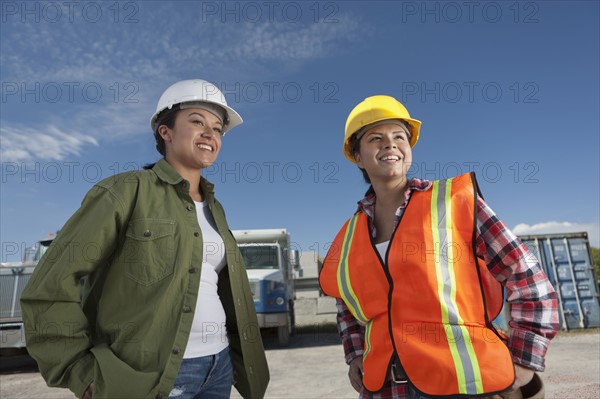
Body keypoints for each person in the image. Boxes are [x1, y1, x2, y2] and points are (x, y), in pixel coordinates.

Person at [20, 79, 269, 399]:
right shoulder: (124, 191)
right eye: (197, 121)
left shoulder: (215, 209)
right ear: (165, 132)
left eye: (217, 128)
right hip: (151, 374)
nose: (210, 134)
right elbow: (51, 284)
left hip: (217, 366)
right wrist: (80, 371)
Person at [319, 95, 558, 399]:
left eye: (399, 137)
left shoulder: (453, 202)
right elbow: (347, 306)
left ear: (410, 148)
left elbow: (527, 276)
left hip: (462, 386)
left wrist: (525, 358)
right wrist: (354, 353)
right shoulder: (350, 235)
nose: (390, 144)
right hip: (386, 389)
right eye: (375, 138)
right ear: (357, 156)